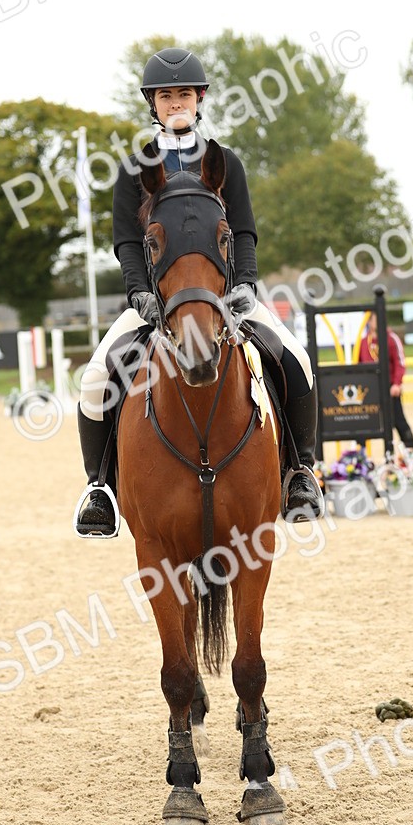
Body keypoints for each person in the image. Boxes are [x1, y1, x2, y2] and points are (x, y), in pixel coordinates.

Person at [73, 46, 321, 536]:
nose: (176, 102)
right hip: (156, 300)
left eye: (184, 93)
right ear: (153, 103)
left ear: (199, 97)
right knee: (96, 377)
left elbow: (243, 231)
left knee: (295, 358)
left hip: (226, 298)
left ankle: (300, 472)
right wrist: (139, 294)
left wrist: (245, 284)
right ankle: (99, 487)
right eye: (166, 96)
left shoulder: (225, 162)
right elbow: (127, 241)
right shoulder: (135, 168)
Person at [358, 312, 413, 450]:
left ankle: (412, 452)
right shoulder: (364, 342)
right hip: (369, 390)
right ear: (369, 322)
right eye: (375, 319)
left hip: (389, 388)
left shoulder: (391, 338)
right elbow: (358, 365)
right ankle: (360, 456)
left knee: (398, 421)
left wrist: (396, 383)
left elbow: (399, 362)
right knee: (363, 422)